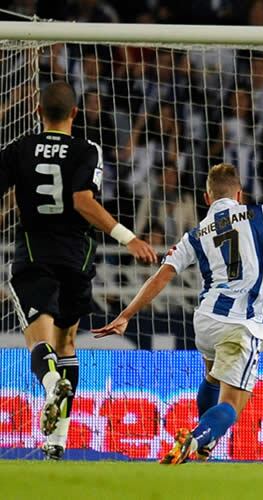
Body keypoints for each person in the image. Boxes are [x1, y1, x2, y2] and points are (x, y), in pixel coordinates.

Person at [92, 163, 263, 465]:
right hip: (240, 324)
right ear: (239, 193)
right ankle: (196, 438)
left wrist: (126, 314)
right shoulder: (259, 213)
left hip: (205, 320)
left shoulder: (194, 235)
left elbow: (160, 277)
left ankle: (203, 443)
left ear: (207, 198)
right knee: (233, 404)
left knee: (211, 376)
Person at [0, 81, 157, 460]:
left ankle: (51, 382)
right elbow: (83, 202)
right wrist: (128, 238)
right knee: (66, 344)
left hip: (35, 252)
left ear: (38, 113)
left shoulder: (19, 149)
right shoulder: (87, 149)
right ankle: (57, 441)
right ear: (74, 113)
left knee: (39, 342)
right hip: (77, 256)